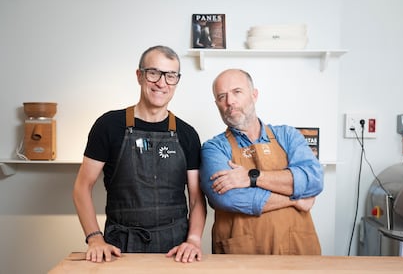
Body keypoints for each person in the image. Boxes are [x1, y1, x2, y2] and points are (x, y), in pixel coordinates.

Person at [73, 45, 206, 263]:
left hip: (175, 249)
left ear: (176, 81)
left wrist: (193, 240)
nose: (161, 83)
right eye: (154, 73)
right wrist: (95, 238)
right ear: (139, 76)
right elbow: (82, 186)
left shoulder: (187, 134)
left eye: (170, 76)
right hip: (120, 245)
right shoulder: (108, 125)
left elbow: (196, 198)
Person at [200, 69, 323, 255]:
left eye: (237, 92)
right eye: (221, 96)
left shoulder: (287, 135)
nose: (229, 101)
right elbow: (225, 197)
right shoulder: (214, 148)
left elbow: (313, 180)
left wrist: (251, 177)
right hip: (242, 256)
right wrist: (295, 200)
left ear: (254, 95)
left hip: (296, 251)